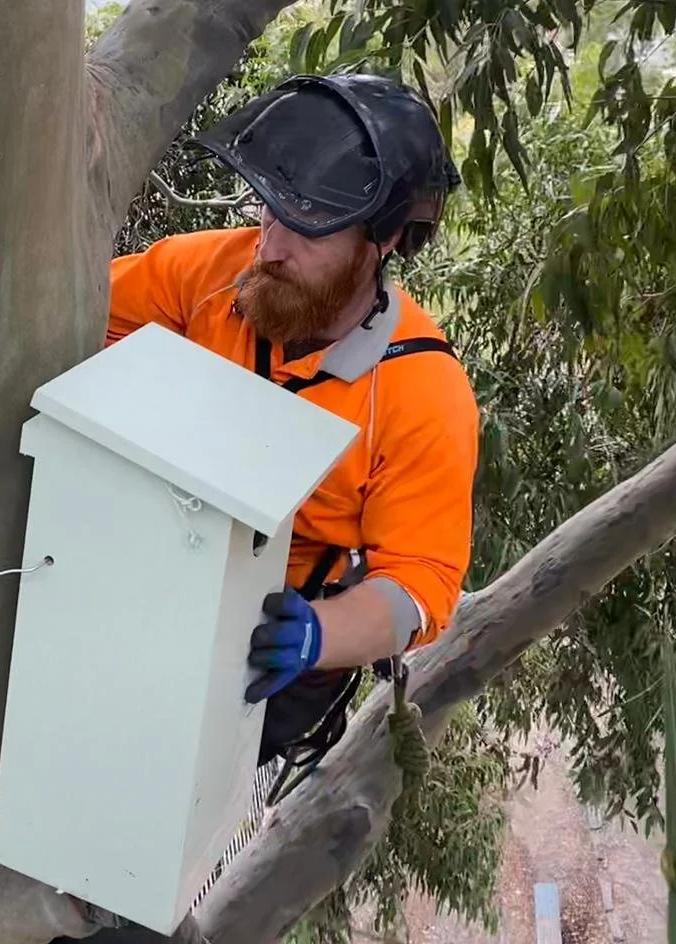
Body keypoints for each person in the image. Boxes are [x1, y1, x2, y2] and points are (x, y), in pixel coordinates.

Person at [51, 73, 479, 944]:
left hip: (277, 645)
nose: (273, 245)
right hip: (155, 563)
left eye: (311, 226)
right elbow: (68, 323)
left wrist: (322, 634)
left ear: (385, 239)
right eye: (271, 211)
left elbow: (420, 587)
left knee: (145, 838)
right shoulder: (208, 274)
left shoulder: (422, 393)